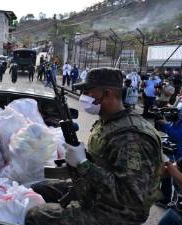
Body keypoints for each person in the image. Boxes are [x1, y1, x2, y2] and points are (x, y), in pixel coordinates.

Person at [26, 67, 162, 225]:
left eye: (88, 91)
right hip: (97, 191)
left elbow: (131, 196)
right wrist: (82, 155)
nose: (84, 96)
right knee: (37, 189)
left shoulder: (131, 137)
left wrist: (83, 164)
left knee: (35, 215)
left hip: (120, 212)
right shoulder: (108, 122)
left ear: (108, 93)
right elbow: (104, 162)